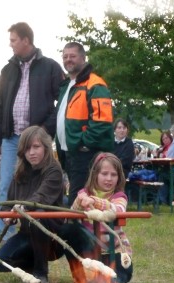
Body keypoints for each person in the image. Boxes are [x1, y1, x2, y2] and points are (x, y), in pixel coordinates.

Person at [0, 22, 64, 239]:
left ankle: (36, 232)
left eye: (13, 40)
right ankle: (5, 237)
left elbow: (61, 103)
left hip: (38, 141)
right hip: (11, 138)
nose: (10, 45)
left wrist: (44, 130)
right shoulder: (7, 69)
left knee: (37, 187)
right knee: (5, 187)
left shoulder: (51, 66)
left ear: (26, 40)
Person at [0, 126, 65, 283]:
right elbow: (6, 205)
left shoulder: (54, 170)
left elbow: (40, 198)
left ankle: (41, 273)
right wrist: (6, 216)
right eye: (27, 148)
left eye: (36, 147)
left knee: (37, 214)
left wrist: (21, 208)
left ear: (45, 147)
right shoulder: (19, 174)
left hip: (53, 235)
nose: (31, 152)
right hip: (27, 233)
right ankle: (32, 270)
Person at [56, 42, 114, 206]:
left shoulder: (95, 84)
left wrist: (84, 143)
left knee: (80, 202)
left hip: (85, 154)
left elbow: (102, 122)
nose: (68, 60)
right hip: (69, 153)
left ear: (83, 58)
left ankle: (81, 231)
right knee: (76, 201)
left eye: (72, 56)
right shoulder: (67, 86)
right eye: (65, 56)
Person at [62, 152, 133, 283]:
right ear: (95, 175)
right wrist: (79, 200)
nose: (109, 178)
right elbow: (71, 216)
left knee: (122, 277)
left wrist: (95, 201)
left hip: (114, 249)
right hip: (91, 246)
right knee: (69, 231)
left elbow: (118, 210)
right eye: (104, 174)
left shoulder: (119, 196)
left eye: (113, 175)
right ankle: (80, 276)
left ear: (119, 177)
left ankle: (102, 276)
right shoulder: (84, 194)